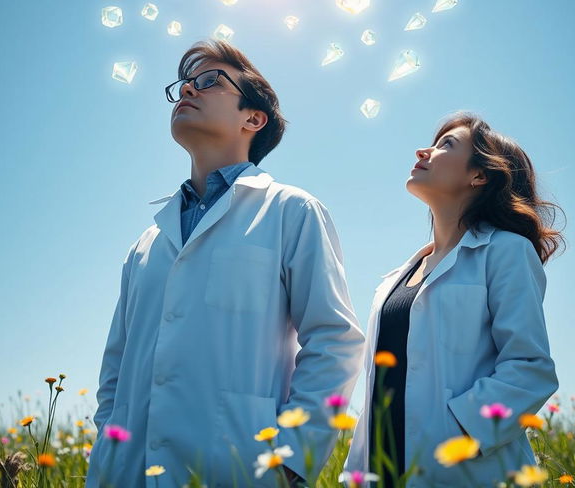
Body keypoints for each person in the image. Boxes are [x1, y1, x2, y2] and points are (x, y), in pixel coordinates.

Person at [85, 40, 365, 488]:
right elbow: (114, 369)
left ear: (253, 119)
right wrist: (108, 449)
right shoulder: (146, 243)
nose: (189, 91)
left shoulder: (291, 212)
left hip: (241, 470)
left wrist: (292, 462)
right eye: (185, 85)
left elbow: (335, 340)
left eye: (210, 81)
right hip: (127, 473)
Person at [345, 113, 563, 487]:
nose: (423, 150)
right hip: (381, 472)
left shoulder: (506, 251)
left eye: (446, 144)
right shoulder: (395, 279)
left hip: (463, 472)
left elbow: (530, 368)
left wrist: (456, 431)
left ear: (478, 176)